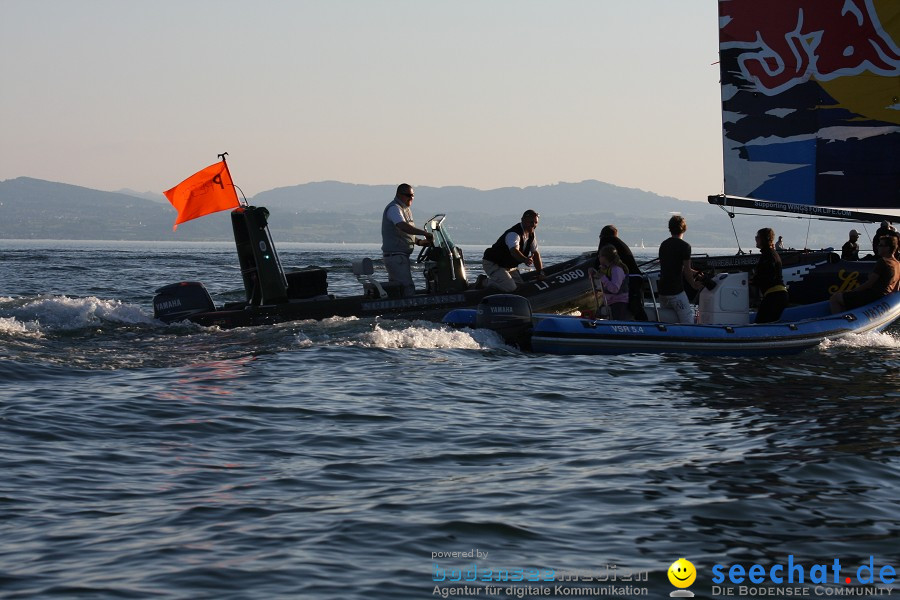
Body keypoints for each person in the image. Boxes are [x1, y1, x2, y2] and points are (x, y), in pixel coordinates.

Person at [381, 183, 432, 297]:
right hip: (396, 256)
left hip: (400, 256)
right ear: (399, 195)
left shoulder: (406, 210)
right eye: (408, 195)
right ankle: (409, 310)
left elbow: (405, 233)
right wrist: (424, 233)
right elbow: (402, 226)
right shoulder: (394, 209)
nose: (411, 198)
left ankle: (396, 309)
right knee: (407, 286)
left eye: (413, 195)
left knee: (398, 288)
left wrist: (419, 242)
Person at [830, 234, 900, 313]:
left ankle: (840, 321)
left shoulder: (883, 262)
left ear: (888, 248)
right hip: (884, 298)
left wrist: (852, 291)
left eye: (880, 245)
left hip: (873, 296)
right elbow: (896, 288)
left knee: (835, 298)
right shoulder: (898, 264)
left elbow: (869, 284)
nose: (877, 247)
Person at [482, 210, 543, 292]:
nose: (533, 225)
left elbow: (535, 253)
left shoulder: (531, 234)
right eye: (531, 222)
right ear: (523, 220)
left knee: (520, 287)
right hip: (493, 263)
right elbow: (514, 251)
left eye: (535, 222)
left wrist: (540, 273)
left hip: (509, 266)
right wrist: (525, 259)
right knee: (511, 288)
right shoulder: (514, 234)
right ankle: (483, 282)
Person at [657, 215, 703, 323]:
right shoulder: (685, 246)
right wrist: (694, 284)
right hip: (676, 291)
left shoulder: (664, 245)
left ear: (670, 228)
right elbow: (686, 269)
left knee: (668, 321)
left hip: (663, 290)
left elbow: (672, 266)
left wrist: (695, 273)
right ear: (684, 228)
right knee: (688, 320)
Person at [598, 225, 647, 320]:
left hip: (632, 277)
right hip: (635, 275)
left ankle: (643, 323)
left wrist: (597, 271)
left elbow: (598, 260)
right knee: (634, 303)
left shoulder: (606, 241)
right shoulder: (619, 244)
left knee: (634, 305)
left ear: (603, 235)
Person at [751, 227, 788, 323]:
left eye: (757, 237)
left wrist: (751, 281)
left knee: (760, 323)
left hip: (775, 296)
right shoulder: (770, 254)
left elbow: (766, 276)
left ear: (764, 239)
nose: (755, 239)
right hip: (776, 295)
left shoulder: (768, 256)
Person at [595, 245, 632, 320]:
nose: (598, 258)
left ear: (605, 257)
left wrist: (603, 277)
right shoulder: (605, 269)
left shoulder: (616, 269)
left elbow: (615, 289)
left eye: (599, 256)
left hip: (619, 302)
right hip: (609, 302)